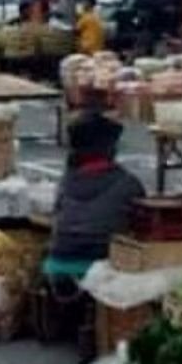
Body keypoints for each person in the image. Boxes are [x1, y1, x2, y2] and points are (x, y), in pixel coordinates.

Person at [48, 112, 146, 269]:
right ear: (110, 149)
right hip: (99, 269)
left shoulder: (66, 182)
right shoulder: (128, 184)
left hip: (57, 266)